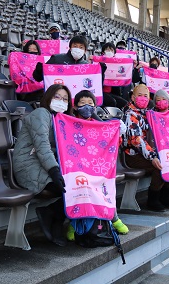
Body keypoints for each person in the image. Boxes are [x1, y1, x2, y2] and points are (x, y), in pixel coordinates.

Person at [12, 84, 73, 246]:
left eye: (65, 99)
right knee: (69, 188)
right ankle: (53, 217)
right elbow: (42, 146)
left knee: (79, 184)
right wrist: (54, 171)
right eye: (57, 97)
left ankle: (51, 213)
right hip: (28, 165)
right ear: (48, 98)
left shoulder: (61, 119)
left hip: (44, 163)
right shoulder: (40, 113)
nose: (61, 101)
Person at [65, 90, 129, 241]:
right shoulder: (69, 122)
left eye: (90, 103)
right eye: (82, 103)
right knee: (80, 189)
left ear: (95, 107)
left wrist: (117, 131)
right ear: (75, 106)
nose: (87, 106)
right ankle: (73, 224)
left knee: (104, 187)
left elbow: (111, 144)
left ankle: (113, 218)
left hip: (97, 167)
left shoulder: (100, 125)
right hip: (76, 168)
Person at [121, 84, 169, 211]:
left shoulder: (148, 113)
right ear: (133, 98)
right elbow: (137, 140)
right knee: (159, 166)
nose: (143, 98)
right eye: (140, 95)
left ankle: (165, 196)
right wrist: (153, 156)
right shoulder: (130, 114)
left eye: (146, 96)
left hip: (146, 152)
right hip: (132, 155)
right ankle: (153, 199)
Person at [100, 42, 128, 109]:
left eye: (111, 50)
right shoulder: (99, 63)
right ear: (103, 52)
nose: (109, 52)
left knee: (125, 103)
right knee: (112, 102)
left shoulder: (116, 65)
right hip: (101, 92)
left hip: (111, 92)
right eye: (107, 50)